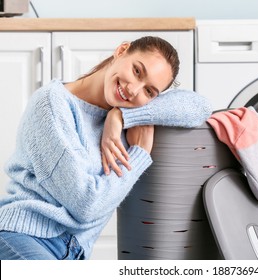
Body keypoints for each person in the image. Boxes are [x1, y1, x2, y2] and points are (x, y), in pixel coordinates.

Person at [0, 36, 212, 260]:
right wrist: (139, 153)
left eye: (149, 91)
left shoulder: (126, 114)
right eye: (137, 71)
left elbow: (200, 107)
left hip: (73, 252)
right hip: (22, 236)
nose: (133, 90)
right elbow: (86, 205)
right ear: (122, 50)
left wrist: (122, 115)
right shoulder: (52, 105)